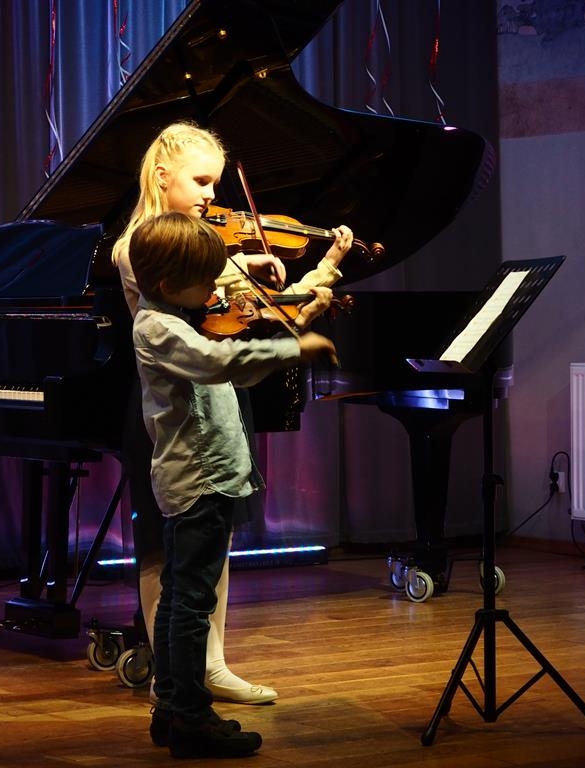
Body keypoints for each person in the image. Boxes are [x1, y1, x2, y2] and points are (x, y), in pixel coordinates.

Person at [112, 121, 353, 705]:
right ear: (161, 176)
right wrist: (242, 271)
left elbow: (238, 310)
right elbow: (203, 306)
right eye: (200, 181)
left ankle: (211, 666)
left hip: (217, 398)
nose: (212, 195)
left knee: (210, 547)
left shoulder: (210, 247)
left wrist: (304, 279)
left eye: (216, 183)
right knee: (164, 552)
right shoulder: (139, 248)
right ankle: (174, 678)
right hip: (173, 412)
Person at [128, 211, 338, 757]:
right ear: (170, 285)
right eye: (206, 281)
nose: (216, 290)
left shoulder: (178, 315)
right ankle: (191, 718)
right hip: (198, 482)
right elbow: (219, 361)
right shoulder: (159, 328)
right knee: (191, 603)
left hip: (203, 479)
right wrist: (293, 348)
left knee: (180, 599)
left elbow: (235, 347)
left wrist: (305, 300)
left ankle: (171, 708)